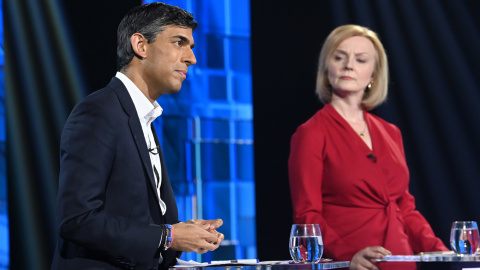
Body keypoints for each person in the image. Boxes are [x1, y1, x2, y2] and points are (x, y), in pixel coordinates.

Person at [51, 3, 224, 270]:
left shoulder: (140, 116)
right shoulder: (98, 112)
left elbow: (134, 217)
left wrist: (182, 232)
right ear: (140, 45)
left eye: (191, 46)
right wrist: (169, 236)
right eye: (179, 43)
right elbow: (77, 219)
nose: (191, 58)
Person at [288, 24, 448, 270]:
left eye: (360, 59)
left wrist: (443, 253)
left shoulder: (391, 132)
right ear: (326, 68)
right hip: (352, 263)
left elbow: (405, 208)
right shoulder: (311, 133)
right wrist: (348, 255)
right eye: (339, 57)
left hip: (399, 260)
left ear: (373, 74)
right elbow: (306, 216)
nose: (348, 65)